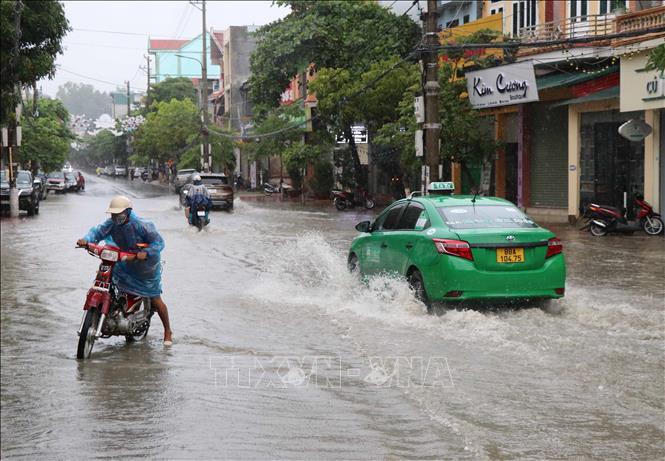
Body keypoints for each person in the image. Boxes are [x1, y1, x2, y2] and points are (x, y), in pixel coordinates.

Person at [76, 196, 173, 345]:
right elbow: (97, 232)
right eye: (113, 215)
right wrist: (86, 240)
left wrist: (146, 253)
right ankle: (113, 311)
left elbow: (158, 242)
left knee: (155, 298)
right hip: (124, 261)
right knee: (105, 279)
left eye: (119, 214)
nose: (116, 218)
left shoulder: (142, 225)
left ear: (128, 212)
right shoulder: (112, 223)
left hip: (145, 266)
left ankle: (167, 331)